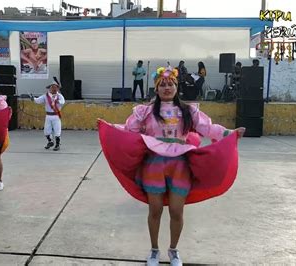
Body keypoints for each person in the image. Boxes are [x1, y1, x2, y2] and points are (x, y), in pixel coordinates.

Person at [97, 67, 245, 266]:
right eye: (163, 85)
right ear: (156, 89)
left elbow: (208, 128)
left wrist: (229, 133)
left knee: (177, 211)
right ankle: (154, 250)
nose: (167, 88)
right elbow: (129, 130)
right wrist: (109, 127)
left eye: (171, 84)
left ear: (177, 87)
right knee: (155, 210)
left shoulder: (188, 111)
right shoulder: (146, 111)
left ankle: (173, 250)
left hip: (180, 164)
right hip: (154, 164)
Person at [31, 77, 65, 151]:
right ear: (50, 88)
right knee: (46, 130)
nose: (54, 89)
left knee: (57, 130)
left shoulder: (59, 96)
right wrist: (33, 99)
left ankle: (57, 144)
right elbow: (38, 100)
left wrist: (57, 101)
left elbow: (63, 102)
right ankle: (50, 141)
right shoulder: (45, 96)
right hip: (48, 115)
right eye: (52, 87)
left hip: (56, 115)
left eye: (55, 87)